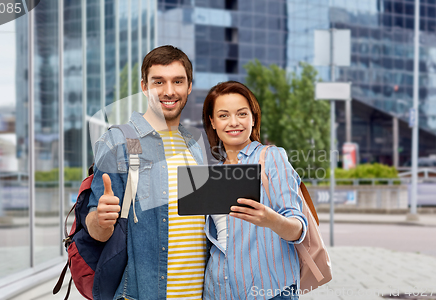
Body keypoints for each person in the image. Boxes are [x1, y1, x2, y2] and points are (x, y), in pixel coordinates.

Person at [86, 45, 207, 300]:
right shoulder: (119, 141)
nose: (169, 91)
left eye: (178, 81)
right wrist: (100, 218)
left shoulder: (197, 145)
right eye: (158, 82)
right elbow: (96, 228)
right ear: (144, 86)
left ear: (189, 86)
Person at [201, 81, 308, 300]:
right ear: (212, 122)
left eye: (241, 114)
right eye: (223, 115)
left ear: (253, 118)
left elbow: (298, 229)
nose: (233, 122)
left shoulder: (271, 157)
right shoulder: (213, 174)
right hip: (218, 290)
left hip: (268, 291)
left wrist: (271, 220)